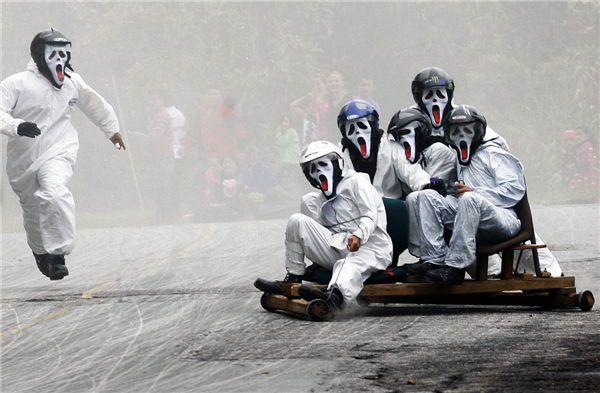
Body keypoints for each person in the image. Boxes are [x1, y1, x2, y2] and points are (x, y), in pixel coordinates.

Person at [0, 28, 124, 280]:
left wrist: (112, 130)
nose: (60, 59)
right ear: (38, 54)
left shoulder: (72, 82)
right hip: (24, 159)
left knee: (54, 191)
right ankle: (41, 253)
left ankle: (58, 254)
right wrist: (16, 126)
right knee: (33, 208)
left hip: (59, 151)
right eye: (53, 52)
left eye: (64, 53)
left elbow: (95, 104)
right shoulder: (17, 83)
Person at [254, 141, 393, 311]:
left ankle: (335, 297)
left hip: (371, 248)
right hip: (339, 246)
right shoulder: (318, 199)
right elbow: (318, 229)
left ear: (338, 163)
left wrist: (358, 235)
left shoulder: (357, 182)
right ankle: (293, 279)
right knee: (297, 219)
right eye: (313, 168)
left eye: (322, 164)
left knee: (347, 265)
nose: (318, 171)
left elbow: (370, 215)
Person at [415, 105, 524, 285]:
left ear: (478, 130)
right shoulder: (461, 160)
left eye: (467, 130)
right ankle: (434, 260)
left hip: (503, 219)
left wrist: (477, 194)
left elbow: (515, 189)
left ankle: (456, 268)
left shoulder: (494, 153)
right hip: (473, 218)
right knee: (426, 197)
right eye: (456, 131)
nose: (462, 135)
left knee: (469, 198)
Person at [387, 107, 457, 260]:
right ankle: (424, 258)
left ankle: (431, 258)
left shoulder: (438, 150)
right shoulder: (409, 157)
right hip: (431, 214)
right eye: (398, 135)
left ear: (420, 130)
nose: (401, 139)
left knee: (417, 197)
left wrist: (428, 182)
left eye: (405, 133)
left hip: (450, 210)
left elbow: (434, 183)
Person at [337, 100, 436, 199]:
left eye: (362, 125)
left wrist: (427, 184)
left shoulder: (391, 147)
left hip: (390, 206)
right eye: (351, 128)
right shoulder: (340, 155)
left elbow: (409, 170)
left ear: (372, 125)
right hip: (358, 209)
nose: (358, 132)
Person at [130, 89, 177, 223]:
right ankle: (162, 215)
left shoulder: (162, 115)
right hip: (157, 156)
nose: (151, 102)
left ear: (162, 100)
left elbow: (156, 137)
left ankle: (166, 215)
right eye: (150, 99)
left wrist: (139, 136)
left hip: (164, 156)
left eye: (155, 99)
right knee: (159, 187)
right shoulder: (153, 115)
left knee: (164, 187)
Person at [290, 75, 329, 144]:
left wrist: (320, 96)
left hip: (323, 142)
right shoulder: (307, 117)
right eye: (313, 85)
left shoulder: (328, 102)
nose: (315, 87)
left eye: (317, 84)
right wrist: (306, 96)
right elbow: (292, 105)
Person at [563, 128, 599, 192]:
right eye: (576, 135)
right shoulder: (580, 146)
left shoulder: (587, 145)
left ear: (586, 136)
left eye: (580, 135)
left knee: (585, 186)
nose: (577, 137)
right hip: (580, 171)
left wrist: (576, 164)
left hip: (585, 171)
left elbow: (588, 159)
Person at [274, 113, 301, 195]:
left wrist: (278, 133)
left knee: (289, 184)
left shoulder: (291, 131)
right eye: (281, 122)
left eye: (285, 121)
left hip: (292, 163)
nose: (283, 124)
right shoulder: (286, 134)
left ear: (290, 123)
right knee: (287, 182)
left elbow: (283, 142)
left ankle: (291, 200)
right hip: (288, 163)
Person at [326, 71, 353, 143]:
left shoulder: (349, 99)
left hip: (346, 139)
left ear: (342, 83)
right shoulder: (328, 100)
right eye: (330, 81)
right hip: (331, 139)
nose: (333, 83)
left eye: (336, 81)